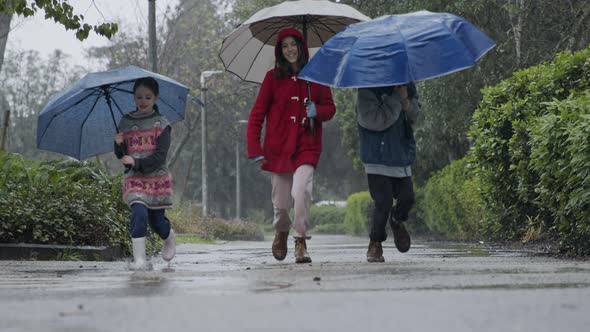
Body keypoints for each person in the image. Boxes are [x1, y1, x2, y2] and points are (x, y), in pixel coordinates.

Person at [247, 28, 336, 264]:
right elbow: (257, 114)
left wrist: (318, 111)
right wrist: (255, 148)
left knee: (302, 191)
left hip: (307, 145)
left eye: (294, 44)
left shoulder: (315, 76)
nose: (290, 49)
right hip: (278, 149)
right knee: (281, 205)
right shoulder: (272, 78)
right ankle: (282, 231)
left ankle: (300, 240)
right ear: (279, 51)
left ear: (301, 46)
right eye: (285, 46)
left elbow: (330, 108)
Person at [114, 77, 176, 270]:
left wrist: (137, 161)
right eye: (139, 97)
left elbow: (160, 157)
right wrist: (118, 145)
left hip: (156, 179)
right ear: (134, 98)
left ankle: (168, 236)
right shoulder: (125, 121)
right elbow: (122, 155)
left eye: (147, 97)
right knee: (139, 212)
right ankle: (139, 260)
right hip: (134, 180)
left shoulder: (162, 124)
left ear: (155, 98)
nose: (143, 101)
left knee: (157, 223)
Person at [356, 83, 420, 262]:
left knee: (408, 198)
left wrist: (408, 104)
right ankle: (375, 242)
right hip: (377, 157)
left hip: (401, 154)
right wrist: (397, 99)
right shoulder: (366, 89)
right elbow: (374, 120)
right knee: (383, 202)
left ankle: (397, 219)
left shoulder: (406, 84)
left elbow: (415, 116)